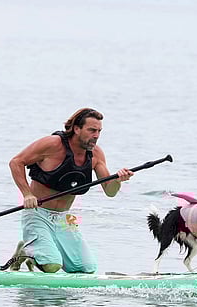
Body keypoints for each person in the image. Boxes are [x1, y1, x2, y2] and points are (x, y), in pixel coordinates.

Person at [8, 108, 133, 273]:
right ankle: (26, 252)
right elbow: (16, 162)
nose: (96, 135)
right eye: (91, 130)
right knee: (52, 265)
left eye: (99, 131)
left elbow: (110, 191)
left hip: (64, 220)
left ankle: (37, 249)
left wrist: (117, 180)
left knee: (86, 269)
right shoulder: (52, 144)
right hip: (37, 214)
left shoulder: (96, 154)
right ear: (76, 129)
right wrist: (27, 194)